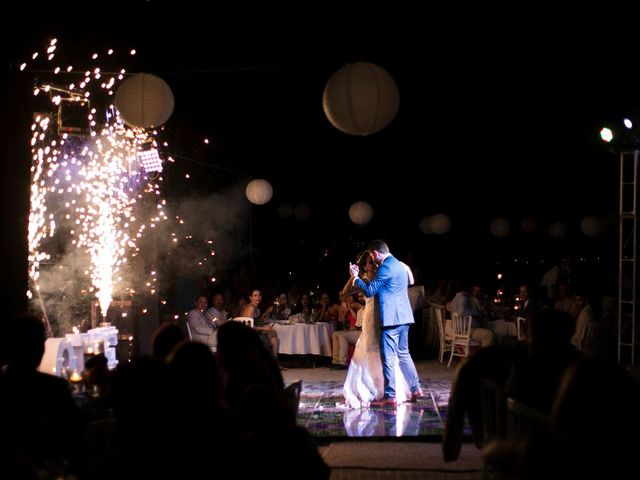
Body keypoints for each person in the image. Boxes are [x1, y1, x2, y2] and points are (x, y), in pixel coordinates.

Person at [350, 239, 423, 407]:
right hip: (405, 317)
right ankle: (416, 388)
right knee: (404, 354)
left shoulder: (385, 267)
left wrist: (355, 278)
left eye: (370, 256)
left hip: (390, 319)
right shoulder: (400, 265)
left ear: (375, 253)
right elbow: (410, 282)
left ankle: (390, 396)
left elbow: (369, 290)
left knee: (388, 357)